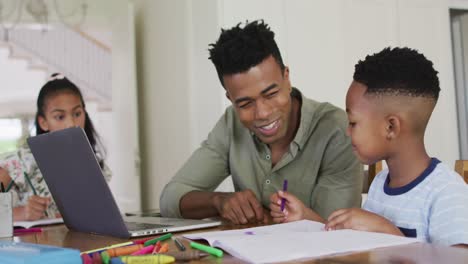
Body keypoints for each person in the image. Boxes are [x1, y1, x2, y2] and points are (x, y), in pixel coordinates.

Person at [160, 20, 363, 224]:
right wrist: (219, 201)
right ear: (231, 100)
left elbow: (337, 231)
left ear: (287, 77)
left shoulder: (337, 130)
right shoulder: (231, 123)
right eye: (245, 103)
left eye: (271, 93)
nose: (263, 113)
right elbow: (171, 198)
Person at [321, 47, 468, 247]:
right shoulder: (380, 184)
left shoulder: (447, 192)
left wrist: (388, 232)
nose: (347, 132)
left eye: (353, 122)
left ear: (391, 127)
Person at [0, 73, 112, 221]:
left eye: (77, 113)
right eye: (60, 117)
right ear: (43, 122)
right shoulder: (19, 161)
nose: (72, 124)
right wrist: (21, 213)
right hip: (31, 244)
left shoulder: (96, 166)